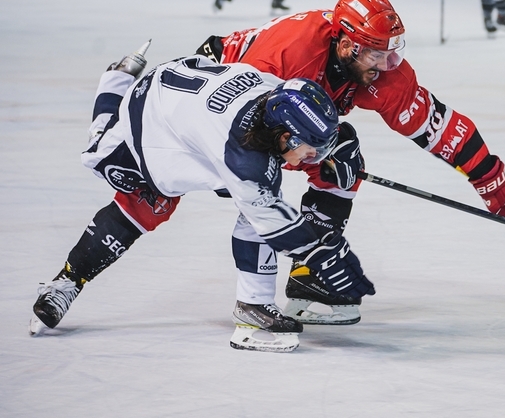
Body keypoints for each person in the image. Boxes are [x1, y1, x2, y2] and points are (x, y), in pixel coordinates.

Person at [196, 0, 505, 325]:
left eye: (390, 53)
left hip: (276, 102)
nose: (386, 65)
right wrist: (234, 175)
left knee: (343, 159)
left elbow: (432, 122)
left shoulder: (375, 65)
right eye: (377, 55)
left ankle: (310, 274)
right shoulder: (290, 55)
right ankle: (255, 297)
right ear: (347, 46)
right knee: (259, 181)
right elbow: (245, 131)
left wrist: (486, 172)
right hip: (222, 97)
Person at [30, 42, 374, 353]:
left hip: (188, 102)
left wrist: (337, 146)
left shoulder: (275, 94)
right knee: (136, 193)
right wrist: (319, 253)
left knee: (260, 197)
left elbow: (290, 145)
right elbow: (272, 218)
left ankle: (254, 305)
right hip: (149, 118)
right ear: (284, 134)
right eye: (313, 148)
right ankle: (67, 281)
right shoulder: (242, 158)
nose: (314, 157)